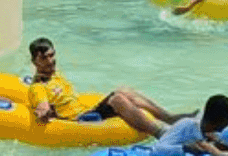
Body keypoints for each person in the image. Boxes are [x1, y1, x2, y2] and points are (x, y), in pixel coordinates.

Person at [26, 37, 186, 138]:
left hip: (85, 110)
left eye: (51, 55)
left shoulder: (55, 74)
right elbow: (42, 106)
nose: (50, 61)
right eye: (43, 58)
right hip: (76, 120)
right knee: (117, 99)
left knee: (124, 89)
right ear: (34, 62)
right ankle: (161, 133)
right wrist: (43, 111)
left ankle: (169, 118)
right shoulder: (38, 87)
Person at [150, 93, 228, 156]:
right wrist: (185, 148)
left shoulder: (216, 136)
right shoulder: (187, 125)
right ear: (223, 121)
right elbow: (157, 149)